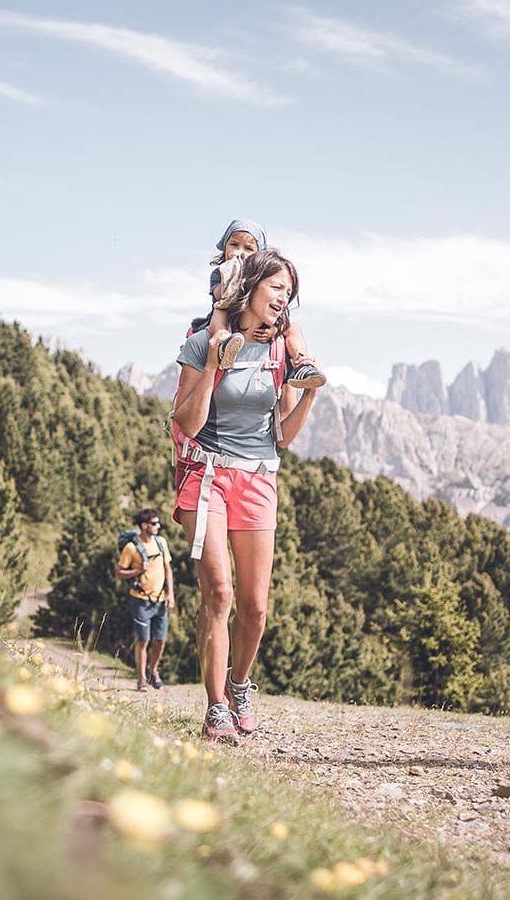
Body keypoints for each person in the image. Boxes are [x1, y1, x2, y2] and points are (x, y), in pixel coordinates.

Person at [170, 248, 320, 742]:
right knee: (219, 593)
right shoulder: (202, 342)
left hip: (258, 477)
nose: (284, 298)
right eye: (277, 287)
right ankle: (215, 708)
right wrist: (214, 363)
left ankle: (238, 686)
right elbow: (186, 423)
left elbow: (284, 437)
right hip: (207, 474)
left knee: (255, 607)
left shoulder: (281, 350)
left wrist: (311, 394)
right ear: (253, 286)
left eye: (289, 293)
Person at [197, 220, 326, 389]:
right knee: (219, 311)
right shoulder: (220, 272)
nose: (240, 252)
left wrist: (273, 329)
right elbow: (219, 295)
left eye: (248, 248)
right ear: (224, 248)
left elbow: (280, 316)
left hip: (257, 319)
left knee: (293, 328)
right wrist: (233, 276)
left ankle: (302, 363)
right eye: (234, 245)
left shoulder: (265, 282)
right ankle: (224, 343)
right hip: (227, 314)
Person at [114, 508, 174, 691]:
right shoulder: (131, 548)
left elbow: (167, 569)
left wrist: (170, 593)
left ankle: (153, 671)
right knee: (143, 641)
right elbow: (119, 573)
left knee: (160, 640)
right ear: (144, 525)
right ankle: (141, 679)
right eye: (154, 523)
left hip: (160, 600)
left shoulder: (161, 542)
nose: (158, 526)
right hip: (140, 600)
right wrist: (138, 571)